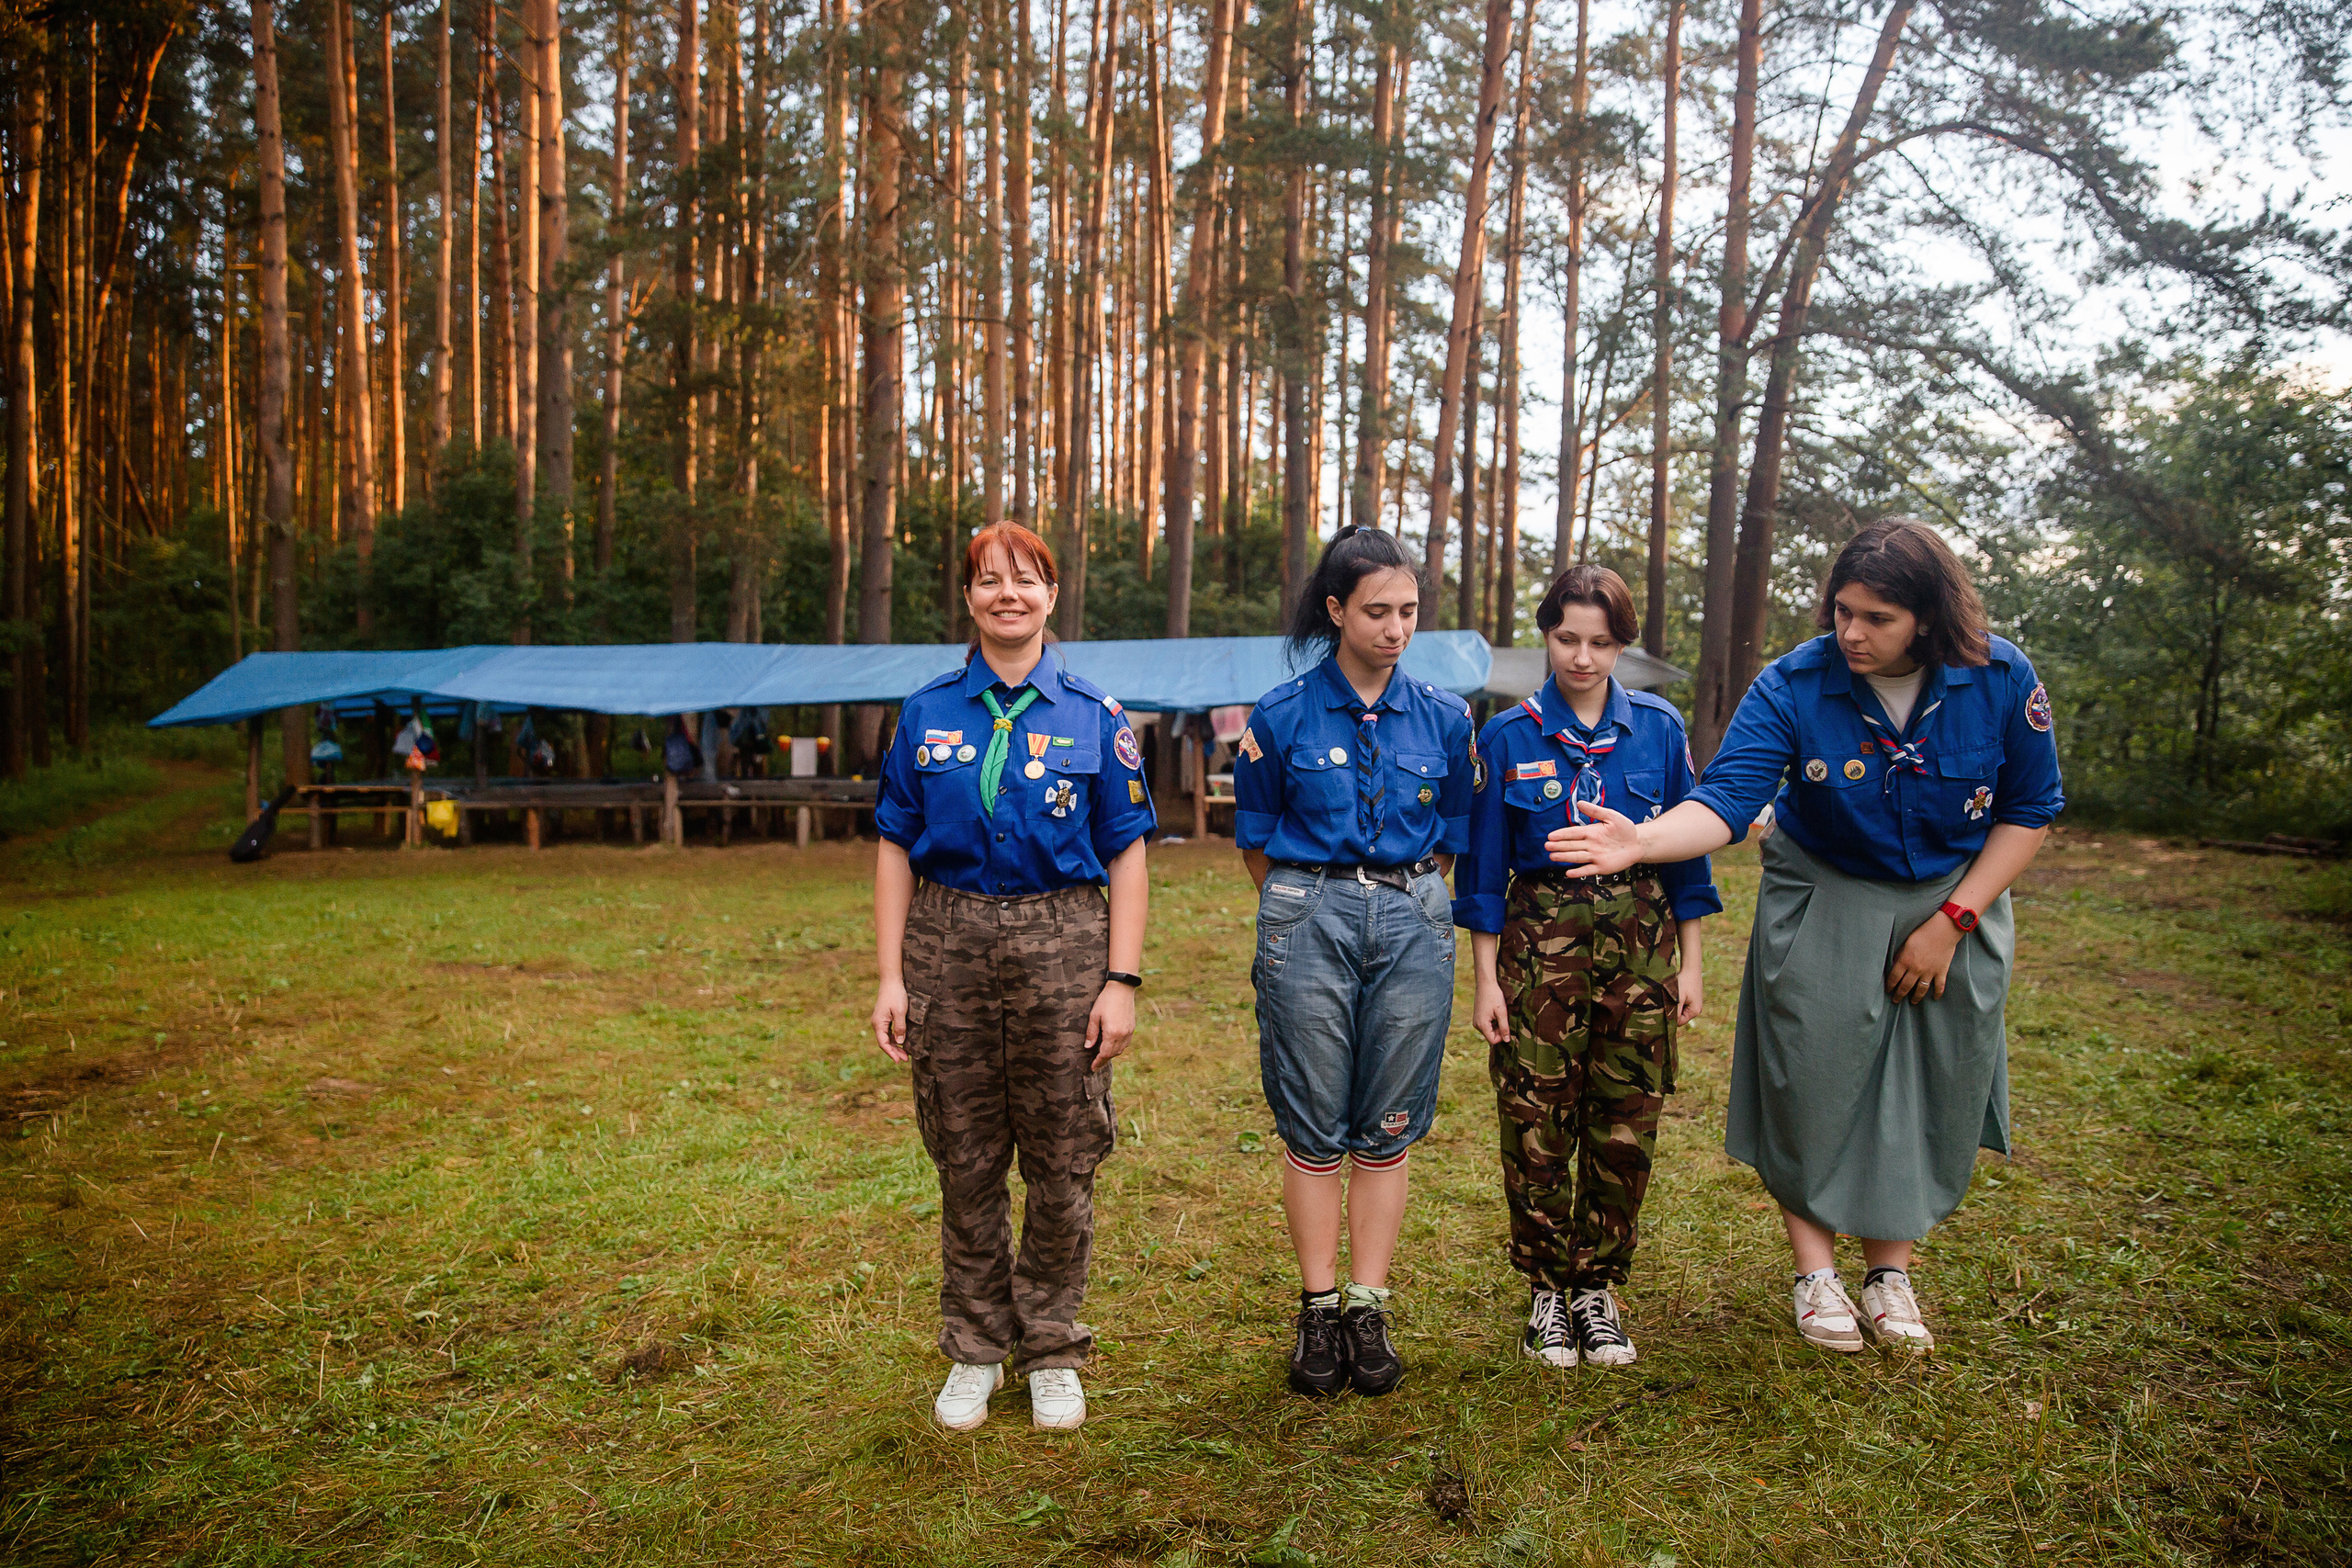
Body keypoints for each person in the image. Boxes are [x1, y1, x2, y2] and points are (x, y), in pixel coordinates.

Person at [1549, 518, 2062, 1353]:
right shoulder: (1795, 683)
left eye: (1876, 618)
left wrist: (1953, 920)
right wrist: (1639, 840)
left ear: (1926, 618)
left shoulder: (1999, 675)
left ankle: (1889, 1273)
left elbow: (2030, 807)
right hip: (1828, 891)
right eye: (1842, 611)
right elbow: (1725, 799)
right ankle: (1814, 1270)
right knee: (1812, 1072)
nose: (1850, 632)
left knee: (1929, 1079)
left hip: (1951, 898)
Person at [869, 523, 1155, 1431]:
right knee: (965, 1155)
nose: (1007, 596)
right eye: (988, 581)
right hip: (947, 939)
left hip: (1062, 939)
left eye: (1024, 580)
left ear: (1051, 594)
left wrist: (1121, 980)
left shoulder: (1095, 717)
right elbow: (893, 847)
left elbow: (1130, 856)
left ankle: (1052, 1344)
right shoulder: (926, 714)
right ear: (967, 599)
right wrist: (891, 976)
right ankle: (976, 1345)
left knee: (1065, 1156)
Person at [1231, 525, 1476, 1398]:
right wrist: (1315, 900)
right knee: (1312, 1122)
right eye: (1377, 610)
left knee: (1387, 1123)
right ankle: (1318, 1306)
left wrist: (1397, 898)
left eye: (1409, 611)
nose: (1396, 628)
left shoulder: (1447, 716)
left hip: (1415, 915)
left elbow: (1453, 833)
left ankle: (1368, 1304)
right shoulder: (1281, 714)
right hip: (1307, 913)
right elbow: (1256, 842)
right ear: (1336, 610)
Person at [1453, 566, 1718, 1370]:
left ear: (1622, 645)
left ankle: (1598, 1289)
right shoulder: (1506, 735)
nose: (1582, 656)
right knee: (1536, 1124)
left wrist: (1693, 967)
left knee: (1626, 1122)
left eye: (1601, 641)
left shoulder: (1661, 731)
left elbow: (1691, 865)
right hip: (1540, 954)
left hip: (1642, 954)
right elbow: (1483, 876)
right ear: (1545, 633)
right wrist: (1487, 980)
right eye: (1567, 637)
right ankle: (1545, 1294)